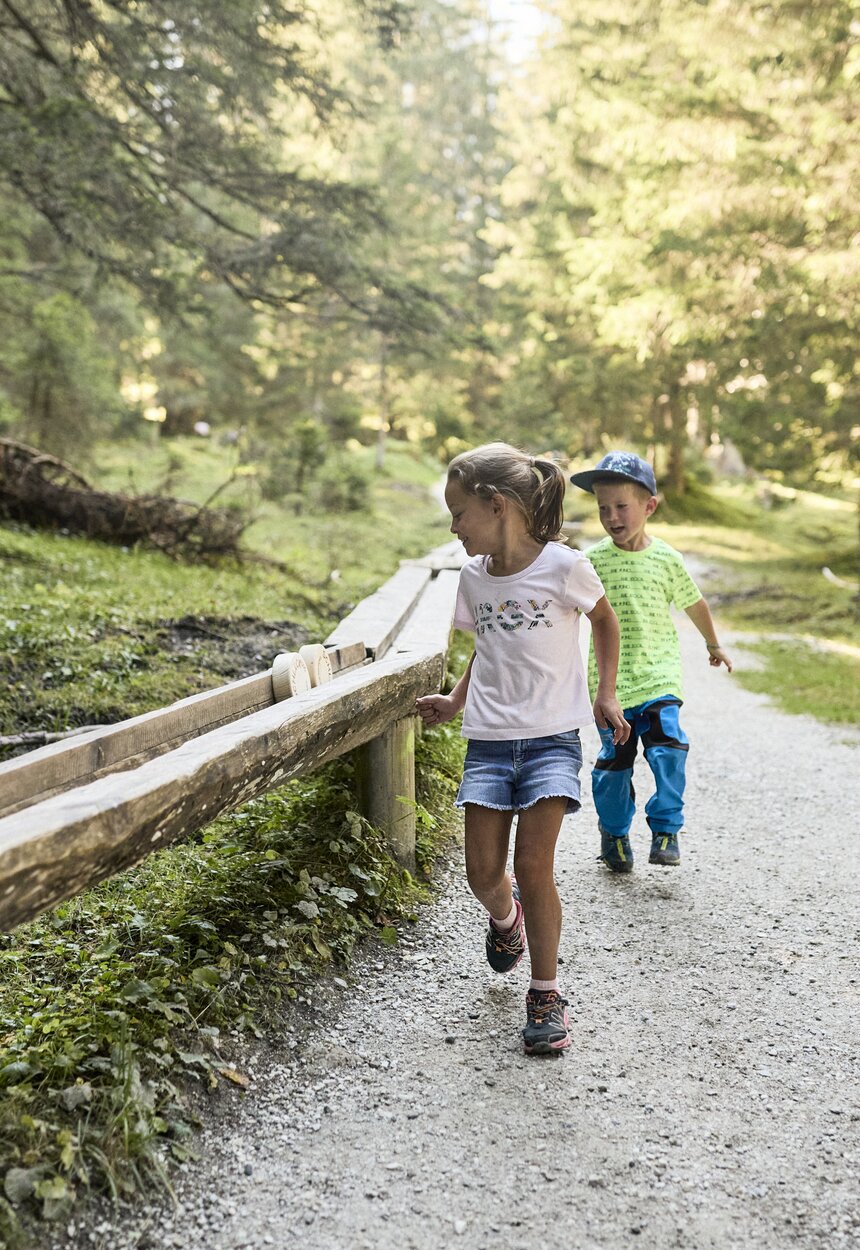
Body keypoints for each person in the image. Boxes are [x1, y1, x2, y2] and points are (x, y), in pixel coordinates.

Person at [416, 442, 629, 1056]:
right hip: (486, 742)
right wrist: (457, 701)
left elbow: (604, 622)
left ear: (498, 506)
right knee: (482, 874)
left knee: (535, 865)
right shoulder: (475, 577)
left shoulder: (565, 567)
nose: (453, 526)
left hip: (550, 742)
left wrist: (605, 695)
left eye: (459, 513)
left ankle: (546, 992)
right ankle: (505, 919)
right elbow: (490, 643)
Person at [569, 451, 733, 874]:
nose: (611, 516)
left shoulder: (667, 560)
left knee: (669, 748)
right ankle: (614, 834)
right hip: (612, 687)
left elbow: (694, 602)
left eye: (621, 506)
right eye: (603, 508)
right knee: (614, 767)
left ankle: (665, 828)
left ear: (649, 506)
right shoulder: (593, 561)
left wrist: (713, 644)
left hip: (660, 677)